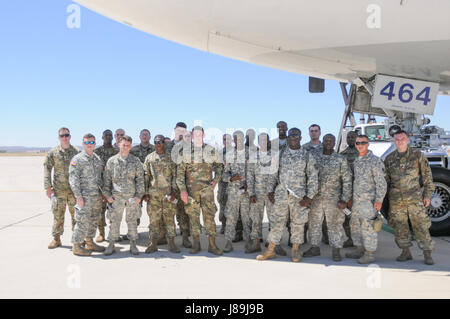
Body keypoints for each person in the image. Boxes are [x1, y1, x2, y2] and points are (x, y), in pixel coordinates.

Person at [257, 128, 318, 262]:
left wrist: (309, 197)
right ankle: (271, 250)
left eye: (296, 138)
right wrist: (270, 191)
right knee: (277, 222)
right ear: (288, 138)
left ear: (300, 138)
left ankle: (295, 250)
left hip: (299, 196)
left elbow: (313, 178)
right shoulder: (280, 154)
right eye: (291, 137)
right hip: (281, 194)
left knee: (298, 223)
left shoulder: (307, 155)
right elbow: (273, 174)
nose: (293, 140)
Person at [384, 130, 435, 265]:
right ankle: (405, 251)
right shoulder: (389, 159)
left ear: (408, 140)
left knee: (421, 226)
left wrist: (428, 195)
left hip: (415, 199)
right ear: (394, 141)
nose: (399, 141)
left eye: (402, 138)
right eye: (397, 139)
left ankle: (427, 253)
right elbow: (386, 181)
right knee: (400, 227)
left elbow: (427, 177)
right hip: (396, 200)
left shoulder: (417, 155)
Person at [303, 134, 352, 261]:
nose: (328, 142)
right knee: (314, 223)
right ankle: (314, 247)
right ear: (322, 142)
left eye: (331, 141)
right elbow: (307, 176)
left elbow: (347, 180)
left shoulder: (340, 159)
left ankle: (336, 250)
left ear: (334, 143)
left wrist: (345, 199)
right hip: (316, 198)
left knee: (334, 224)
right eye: (326, 140)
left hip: (334, 199)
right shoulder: (314, 157)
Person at [176, 126, 223, 255]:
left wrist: (215, 181)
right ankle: (196, 244)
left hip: (207, 191)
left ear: (203, 135)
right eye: (195, 134)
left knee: (209, 217)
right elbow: (179, 175)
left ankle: (212, 245)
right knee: (193, 218)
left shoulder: (211, 150)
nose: (197, 136)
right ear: (191, 136)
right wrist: (183, 191)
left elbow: (219, 167)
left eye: (199, 134)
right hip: (191, 192)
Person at [345, 135, 387, 264]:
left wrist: (379, 200)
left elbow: (381, 182)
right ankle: (359, 248)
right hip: (357, 201)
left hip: (369, 201)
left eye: (363, 142)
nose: (360, 145)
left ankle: (369, 254)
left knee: (369, 227)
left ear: (368, 144)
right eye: (358, 143)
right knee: (355, 225)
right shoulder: (357, 160)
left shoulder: (375, 161)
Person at [103, 135, 145, 256]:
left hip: (132, 197)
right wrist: (107, 196)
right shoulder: (111, 161)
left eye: (128, 145)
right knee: (114, 221)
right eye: (123, 145)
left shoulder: (136, 161)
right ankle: (111, 244)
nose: (125, 147)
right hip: (116, 197)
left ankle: (133, 244)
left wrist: (139, 196)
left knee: (132, 220)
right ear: (118, 145)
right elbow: (107, 181)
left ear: (130, 146)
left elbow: (140, 180)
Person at [69, 133, 105, 256]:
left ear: (95, 143)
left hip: (96, 196)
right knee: (82, 221)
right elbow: (73, 179)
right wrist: (78, 196)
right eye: (87, 142)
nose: (89, 145)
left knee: (94, 220)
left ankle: (89, 242)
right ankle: (77, 246)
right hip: (83, 197)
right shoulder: (77, 159)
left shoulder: (97, 158)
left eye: (91, 142)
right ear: (83, 144)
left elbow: (100, 178)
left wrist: (103, 193)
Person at [143, 135, 180, 254]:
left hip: (168, 194)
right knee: (154, 220)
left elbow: (175, 175)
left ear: (164, 143)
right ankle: (153, 243)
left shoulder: (171, 158)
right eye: (156, 142)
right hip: (153, 195)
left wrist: (174, 192)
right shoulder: (149, 158)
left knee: (169, 219)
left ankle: (171, 243)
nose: (158, 144)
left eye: (161, 142)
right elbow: (146, 176)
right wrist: (145, 193)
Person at [44, 127, 80, 249]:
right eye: (62, 135)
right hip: (58, 191)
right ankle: (56, 239)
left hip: (73, 191)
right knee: (58, 215)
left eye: (66, 135)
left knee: (76, 216)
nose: (64, 137)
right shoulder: (53, 152)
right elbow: (47, 169)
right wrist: (48, 187)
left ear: (70, 136)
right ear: (59, 138)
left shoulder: (77, 152)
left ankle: (77, 240)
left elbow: (81, 171)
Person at [222, 131, 251, 253]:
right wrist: (230, 178)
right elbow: (224, 174)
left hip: (246, 192)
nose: (238, 140)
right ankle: (228, 242)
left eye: (240, 138)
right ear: (233, 140)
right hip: (233, 192)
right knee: (231, 217)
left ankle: (249, 241)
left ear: (243, 139)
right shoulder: (229, 154)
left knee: (247, 218)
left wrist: (248, 185)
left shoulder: (250, 153)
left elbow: (255, 172)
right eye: (236, 139)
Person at [247, 133, 276, 253]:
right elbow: (250, 176)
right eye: (261, 140)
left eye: (265, 140)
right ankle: (256, 243)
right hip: (257, 193)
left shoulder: (274, 156)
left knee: (273, 219)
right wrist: (251, 193)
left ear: (268, 141)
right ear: (258, 142)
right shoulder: (254, 156)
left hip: (271, 194)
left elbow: (275, 174)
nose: (263, 142)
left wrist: (272, 191)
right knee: (256, 218)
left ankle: (273, 244)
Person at [166, 122, 192, 248]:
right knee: (170, 212)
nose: (180, 132)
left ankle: (186, 237)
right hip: (170, 186)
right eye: (179, 130)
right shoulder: (167, 146)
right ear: (174, 130)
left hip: (184, 186)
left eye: (183, 130)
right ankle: (171, 239)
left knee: (183, 213)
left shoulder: (188, 146)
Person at [94, 129, 119, 243]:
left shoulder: (117, 151)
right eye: (106, 135)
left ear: (112, 137)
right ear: (102, 137)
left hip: (114, 186)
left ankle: (113, 233)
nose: (108, 137)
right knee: (100, 211)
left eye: (110, 135)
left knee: (114, 211)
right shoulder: (97, 151)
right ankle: (101, 233)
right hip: (101, 186)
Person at [339, 131, 359, 247]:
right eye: (348, 137)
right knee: (346, 217)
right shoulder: (342, 155)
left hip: (359, 193)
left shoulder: (362, 153)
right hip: (345, 193)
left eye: (353, 137)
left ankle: (359, 241)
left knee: (358, 218)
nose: (350, 139)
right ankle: (350, 238)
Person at [218, 134, 233, 234]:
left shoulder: (236, 152)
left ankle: (235, 227)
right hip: (223, 183)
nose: (226, 141)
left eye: (228, 139)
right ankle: (223, 225)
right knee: (223, 203)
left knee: (234, 205)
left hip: (234, 183)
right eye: (224, 139)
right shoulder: (219, 153)